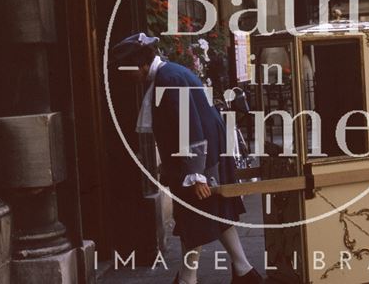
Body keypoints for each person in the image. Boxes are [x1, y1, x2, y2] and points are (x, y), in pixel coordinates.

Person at [109, 33, 263, 284]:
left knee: (193, 218)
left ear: (141, 64)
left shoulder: (168, 79)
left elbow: (189, 128)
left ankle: (189, 279)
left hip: (201, 157)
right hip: (206, 152)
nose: (126, 77)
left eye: (127, 70)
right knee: (213, 213)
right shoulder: (166, 75)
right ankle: (244, 271)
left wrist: (196, 174)